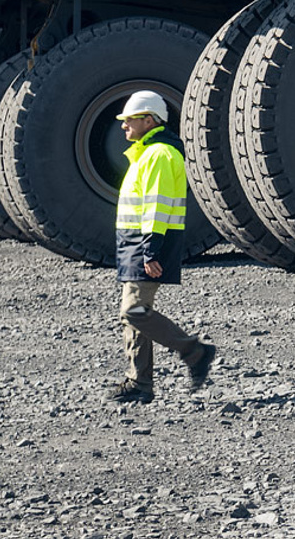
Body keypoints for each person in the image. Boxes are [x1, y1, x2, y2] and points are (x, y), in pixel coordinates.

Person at [111, 90, 216, 404]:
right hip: (136, 244)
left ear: (149, 120)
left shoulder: (158, 154)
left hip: (146, 245)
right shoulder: (149, 153)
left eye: (129, 119)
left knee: (134, 311)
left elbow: (156, 206)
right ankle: (139, 382)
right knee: (135, 313)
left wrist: (151, 250)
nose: (123, 126)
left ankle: (194, 351)